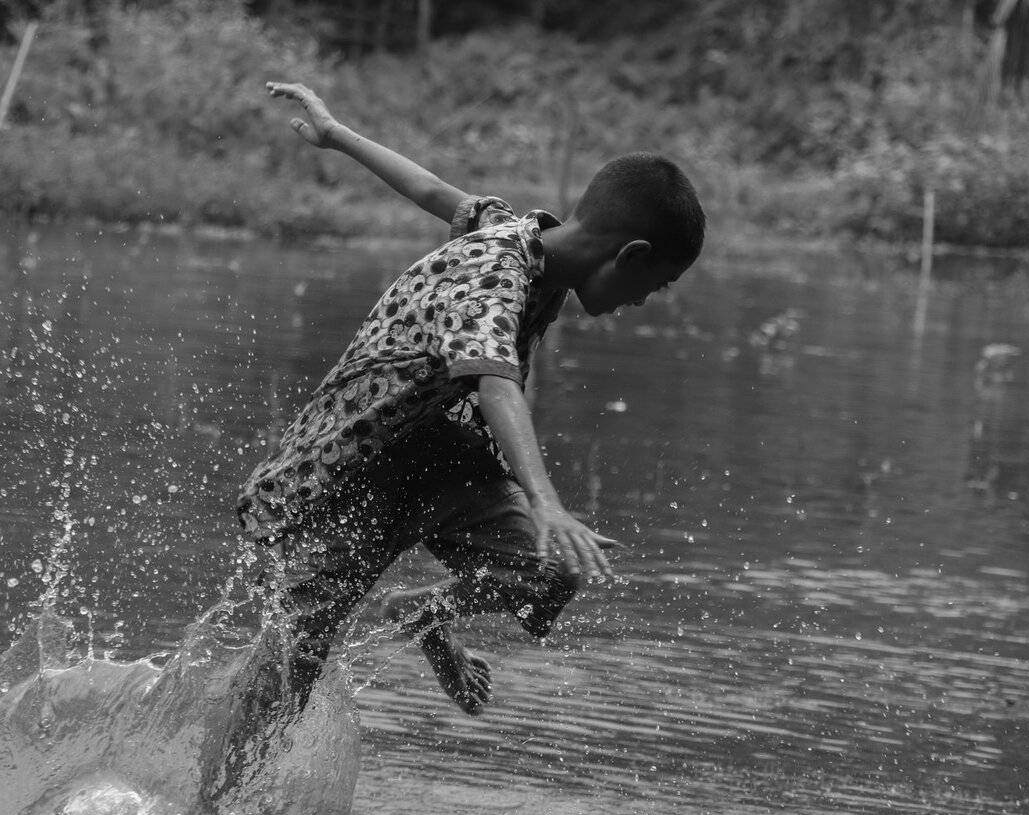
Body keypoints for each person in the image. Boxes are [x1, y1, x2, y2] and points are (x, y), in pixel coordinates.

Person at [238, 81, 706, 719]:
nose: (644, 301)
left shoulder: (529, 243)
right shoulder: (494, 275)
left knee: (553, 569)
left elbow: (433, 191)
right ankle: (216, 786)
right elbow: (494, 381)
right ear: (632, 254)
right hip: (347, 472)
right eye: (658, 284)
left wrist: (337, 135)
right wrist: (546, 502)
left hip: (439, 456)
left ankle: (423, 615)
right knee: (286, 677)